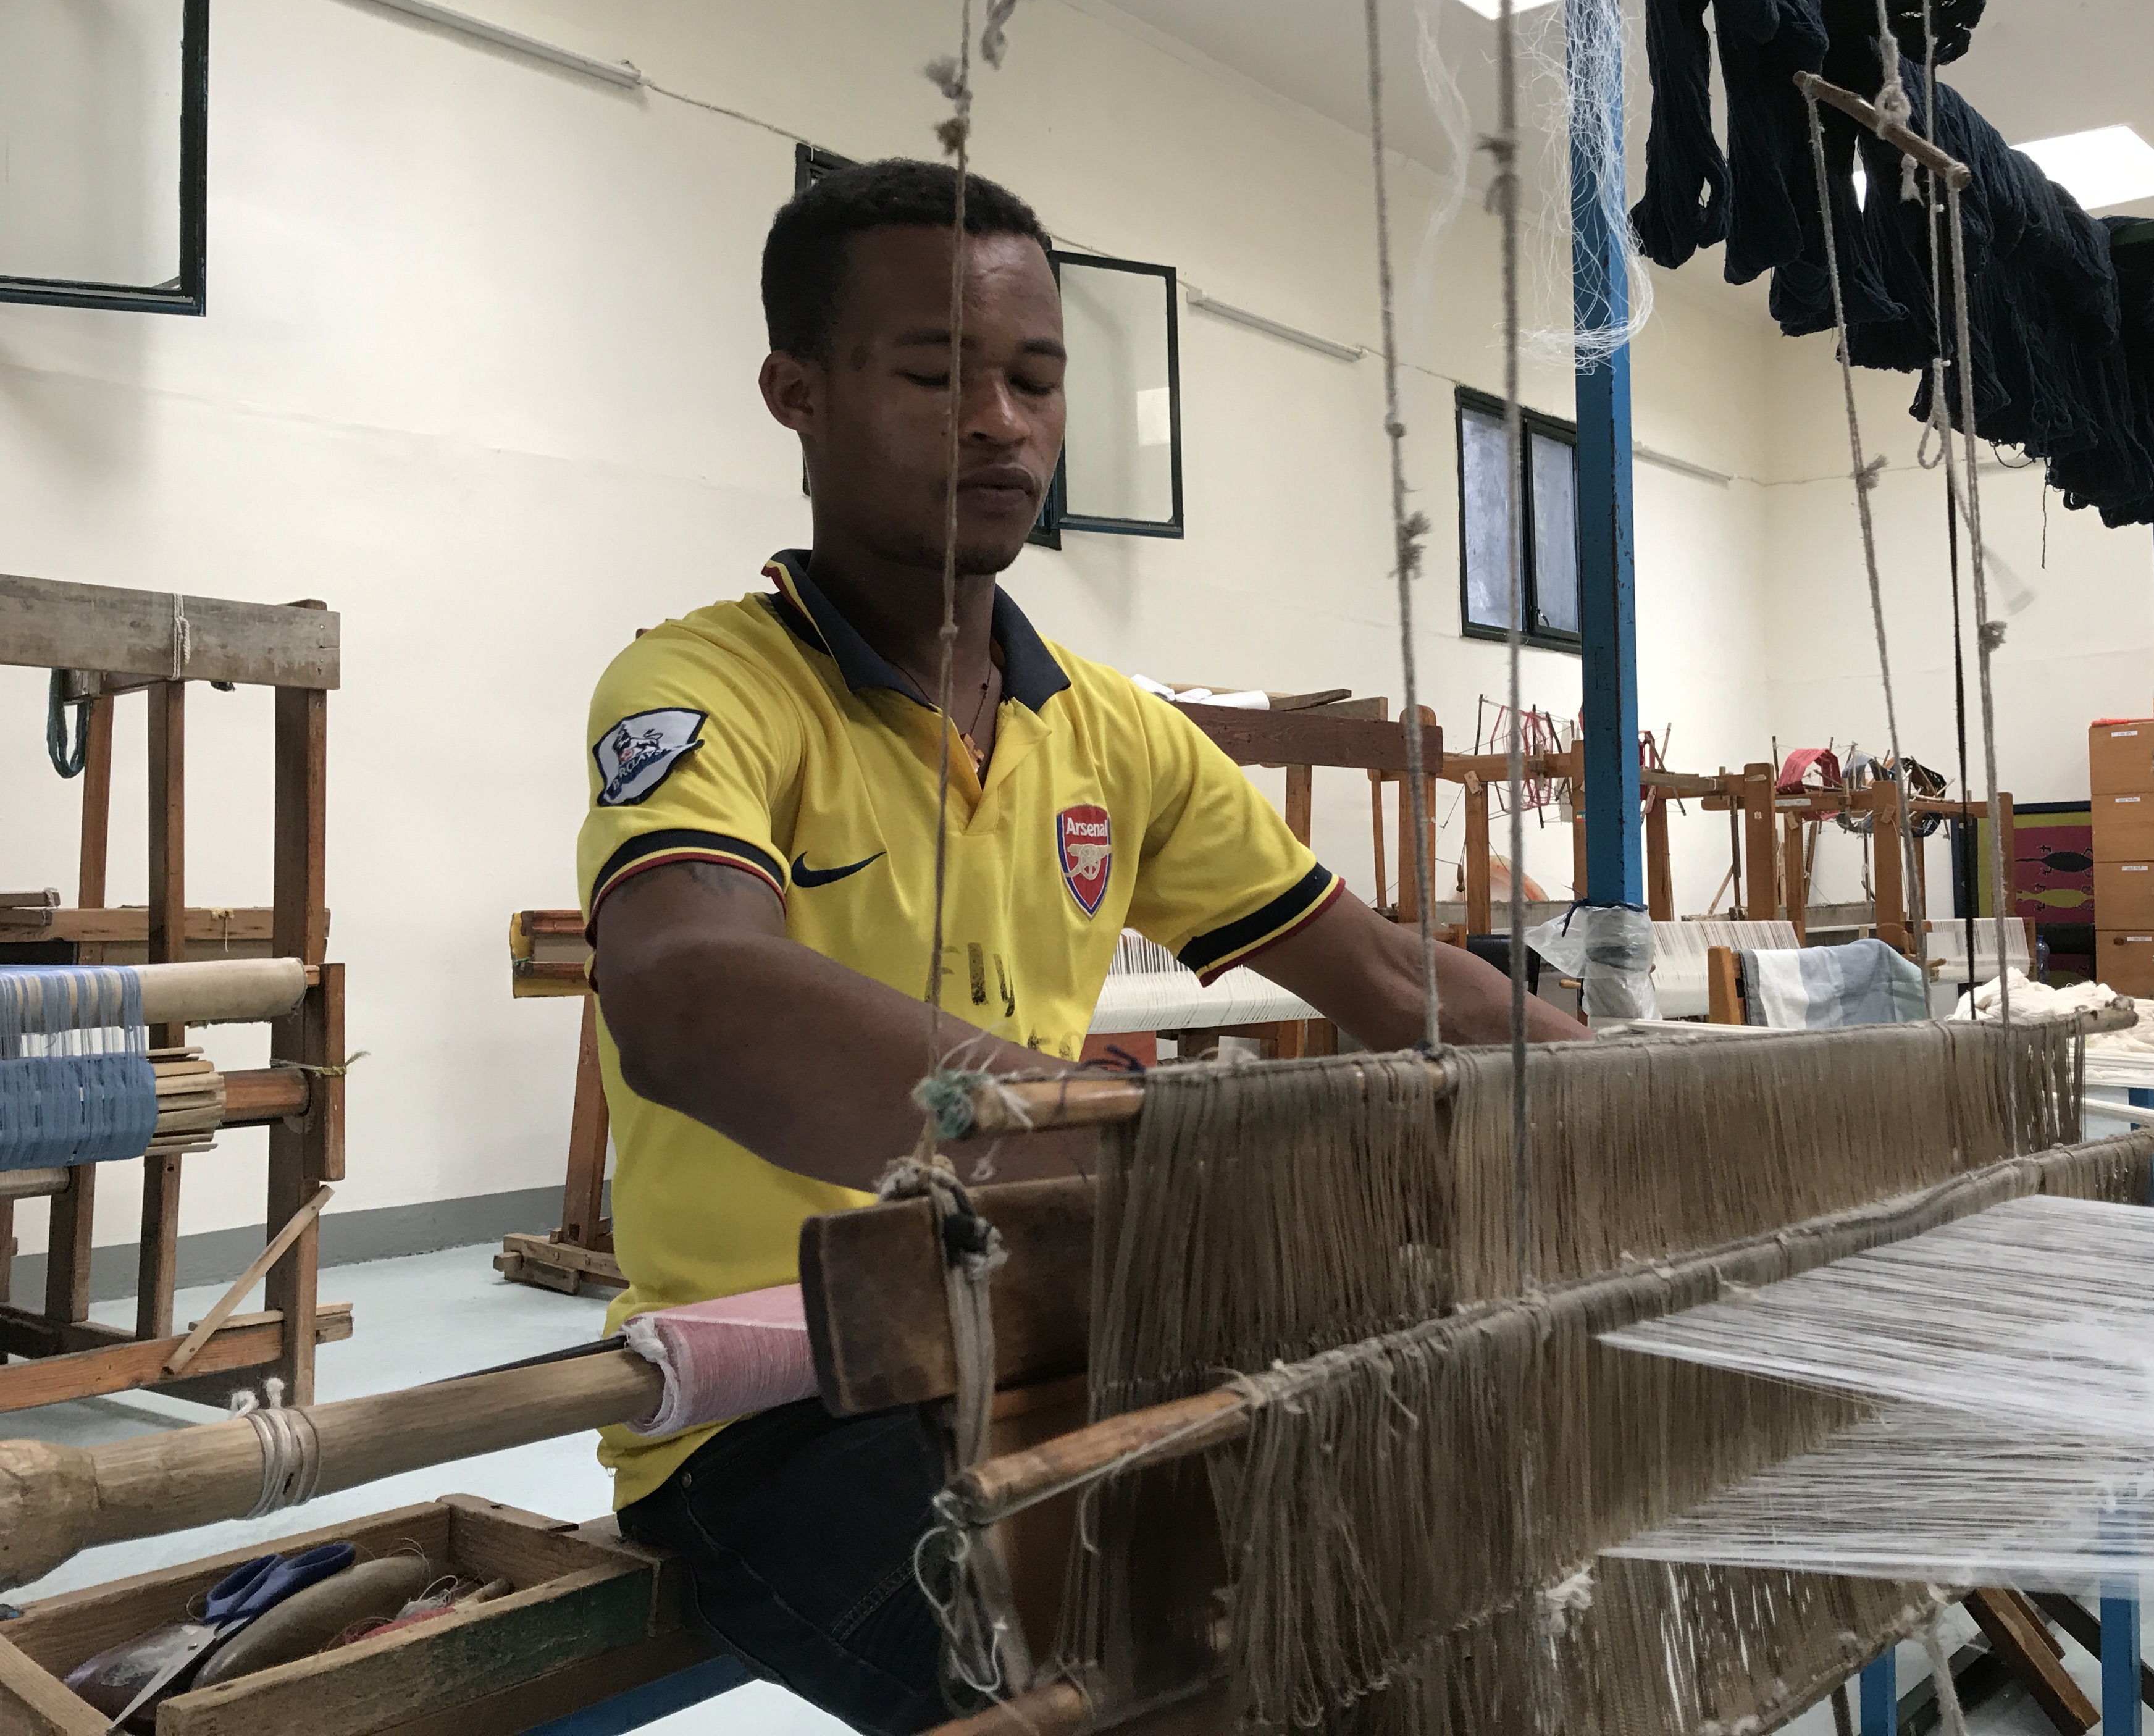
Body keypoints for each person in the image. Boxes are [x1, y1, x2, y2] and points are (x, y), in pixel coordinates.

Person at [580, 157, 1586, 1732]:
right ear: (798, 395)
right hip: (789, 1406)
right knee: (1154, 1693)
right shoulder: (709, 688)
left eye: (1037, 381)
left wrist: (1627, 1095)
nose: (1001, 424)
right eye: (938, 377)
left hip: (1059, 1336)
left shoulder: (1112, 732)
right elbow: (689, 996)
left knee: (1427, 1567)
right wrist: (1121, 1159)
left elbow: (1386, 975)